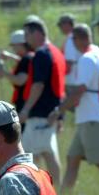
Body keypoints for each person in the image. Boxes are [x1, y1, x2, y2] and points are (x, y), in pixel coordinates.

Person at [59, 24, 99, 194]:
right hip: (91, 116)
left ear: (78, 39)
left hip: (93, 117)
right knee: (73, 158)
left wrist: (60, 109)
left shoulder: (87, 58)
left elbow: (80, 90)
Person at [20, 15, 67, 186]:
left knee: (31, 154)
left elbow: (38, 85)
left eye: (27, 34)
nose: (25, 40)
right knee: (43, 153)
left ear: (37, 33)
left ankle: (44, 191)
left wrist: (25, 109)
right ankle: (47, 190)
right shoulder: (56, 52)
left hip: (40, 113)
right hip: (51, 111)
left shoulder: (41, 53)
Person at [3, 30, 33, 113]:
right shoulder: (32, 55)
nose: (13, 48)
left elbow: (19, 81)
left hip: (23, 101)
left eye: (13, 45)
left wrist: (3, 72)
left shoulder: (26, 59)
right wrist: (11, 56)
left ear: (21, 44)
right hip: (29, 100)